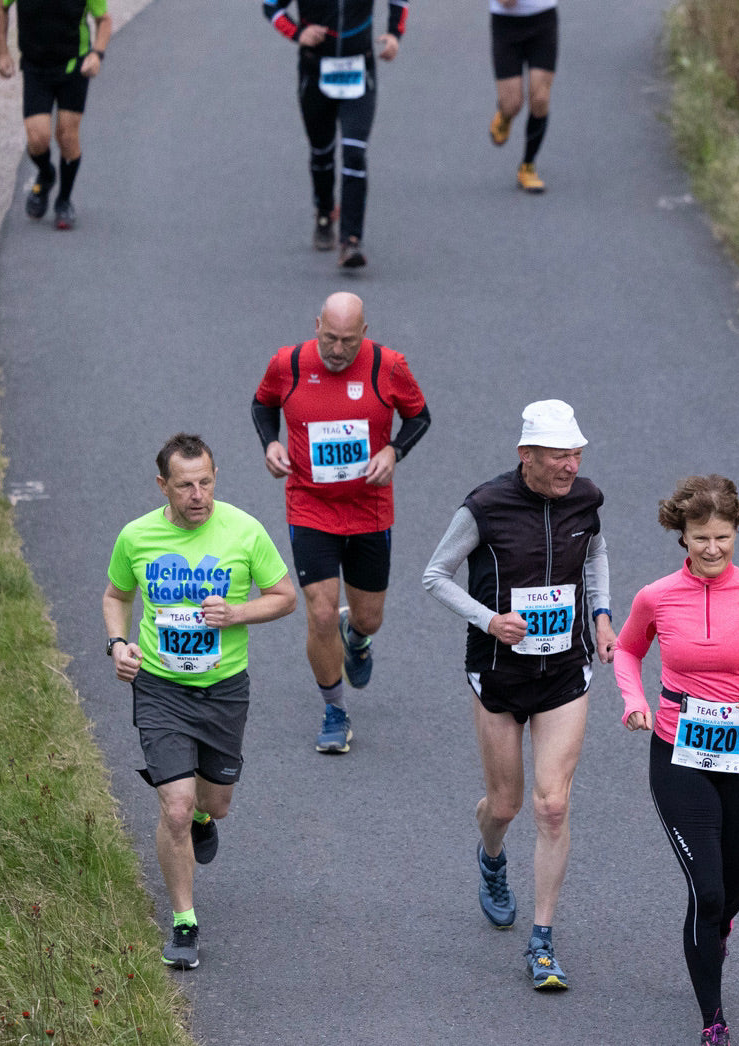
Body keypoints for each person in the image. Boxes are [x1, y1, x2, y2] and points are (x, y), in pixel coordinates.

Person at [613, 474, 739, 1046]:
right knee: (705, 890)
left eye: (723, 537)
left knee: (730, 891)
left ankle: (720, 921)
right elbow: (628, 651)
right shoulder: (655, 596)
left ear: (736, 534)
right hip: (679, 751)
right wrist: (634, 702)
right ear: (681, 536)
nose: (711, 549)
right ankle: (714, 1019)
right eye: (700, 537)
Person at [423, 399, 616, 991]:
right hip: (499, 674)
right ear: (526, 455)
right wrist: (489, 621)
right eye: (559, 455)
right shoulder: (485, 506)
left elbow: (596, 555)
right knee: (503, 806)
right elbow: (435, 575)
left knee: (552, 805)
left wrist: (603, 616)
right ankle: (491, 856)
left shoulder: (587, 499)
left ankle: (542, 941)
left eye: (576, 454)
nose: (570, 466)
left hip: (564, 671)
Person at [102, 433, 296, 970]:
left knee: (214, 804)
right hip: (161, 687)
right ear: (163, 485)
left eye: (206, 482)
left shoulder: (244, 530)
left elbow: (284, 597)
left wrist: (236, 614)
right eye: (184, 485)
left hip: (224, 688)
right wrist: (118, 645)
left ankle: (205, 824)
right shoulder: (136, 537)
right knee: (176, 807)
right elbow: (116, 596)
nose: (197, 495)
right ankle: (184, 922)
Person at [252, 291, 429, 754]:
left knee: (368, 616)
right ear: (317, 327)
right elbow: (262, 404)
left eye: (347, 341)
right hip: (310, 504)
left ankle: (358, 638)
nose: (336, 350)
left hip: (369, 508)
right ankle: (334, 711)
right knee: (322, 611)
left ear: (364, 335)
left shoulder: (387, 366)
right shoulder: (287, 363)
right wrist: (270, 443)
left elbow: (418, 417)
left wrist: (394, 450)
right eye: (329, 338)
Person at [263, 0, 408, 268]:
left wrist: (394, 34)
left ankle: (351, 241)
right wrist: (297, 34)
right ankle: (325, 212)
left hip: (359, 69)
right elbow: (271, 6)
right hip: (315, 69)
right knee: (321, 152)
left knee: (354, 152)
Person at [0, 0, 112, 229]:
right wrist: (2, 53)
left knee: (67, 137)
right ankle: (46, 175)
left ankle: (64, 201)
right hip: (36, 68)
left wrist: (97, 54)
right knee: (37, 138)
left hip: (73, 67)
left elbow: (104, 20)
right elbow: (0, 6)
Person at [487, 0, 557, 194]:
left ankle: (528, 165)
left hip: (543, 20)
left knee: (540, 97)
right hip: (506, 26)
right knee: (512, 104)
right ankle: (505, 114)